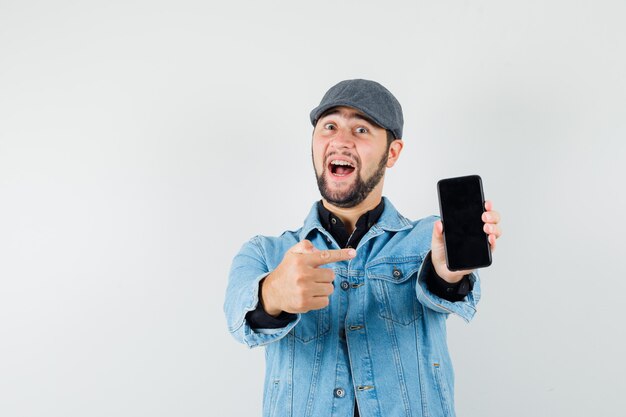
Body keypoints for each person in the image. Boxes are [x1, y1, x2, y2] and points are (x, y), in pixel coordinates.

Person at [223, 79, 502, 417]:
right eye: (329, 126)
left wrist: (446, 273)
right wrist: (274, 294)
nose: (340, 140)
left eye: (361, 129)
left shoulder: (430, 237)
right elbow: (239, 319)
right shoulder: (265, 252)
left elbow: (452, 289)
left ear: (392, 152)